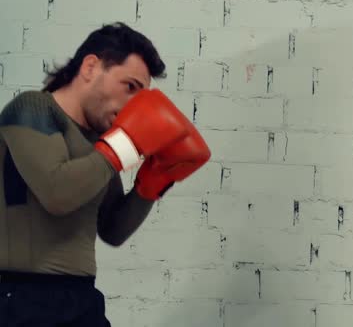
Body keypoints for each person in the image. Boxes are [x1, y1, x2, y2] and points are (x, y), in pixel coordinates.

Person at [0, 22, 211, 326]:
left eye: (142, 96)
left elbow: (113, 228)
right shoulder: (32, 109)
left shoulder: (101, 141)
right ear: (90, 67)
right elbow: (57, 193)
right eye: (130, 87)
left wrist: (155, 179)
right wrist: (124, 146)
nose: (133, 104)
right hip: (22, 298)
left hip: (81, 297)